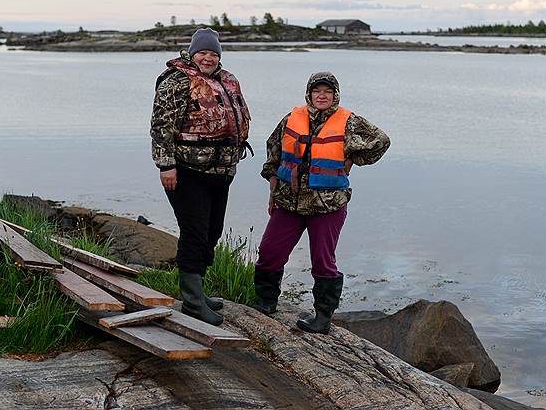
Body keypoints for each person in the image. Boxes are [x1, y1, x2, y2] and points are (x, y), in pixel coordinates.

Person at [252, 71, 389, 334]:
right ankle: (266, 302)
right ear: (309, 94)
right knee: (269, 253)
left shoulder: (349, 122)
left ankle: (322, 318)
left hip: (327, 205)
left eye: (327, 91)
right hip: (288, 202)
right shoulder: (292, 118)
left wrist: (354, 158)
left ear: (335, 94)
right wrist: (272, 183)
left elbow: (381, 141)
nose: (322, 95)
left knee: (323, 261)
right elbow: (274, 148)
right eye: (317, 91)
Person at [150, 28, 251, 326]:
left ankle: (199, 291)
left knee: (212, 232)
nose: (208, 58)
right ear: (192, 53)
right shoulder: (176, 82)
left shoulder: (226, 80)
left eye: (213, 53)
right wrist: (165, 166)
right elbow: (160, 128)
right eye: (203, 53)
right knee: (194, 232)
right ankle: (192, 302)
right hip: (186, 172)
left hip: (221, 172)